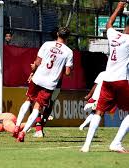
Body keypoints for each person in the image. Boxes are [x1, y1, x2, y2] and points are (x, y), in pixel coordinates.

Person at [81, 2, 129, 153]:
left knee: (98, 112)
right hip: (121, 81)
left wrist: (118, 9)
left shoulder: (114, 35)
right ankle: (116, 143)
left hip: (107, 80)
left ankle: (86, 146)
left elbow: (109, 24)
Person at [13, 27, 73, 142]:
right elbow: (67, 73)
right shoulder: (68, 52)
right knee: (38, 107)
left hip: (38, 78)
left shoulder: (47, 44)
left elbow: (37, 62)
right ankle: (23, 132)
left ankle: (17, 126)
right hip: (50, 83)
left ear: (57, 34)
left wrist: (33, 71)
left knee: (28, 100)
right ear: (67, 37)